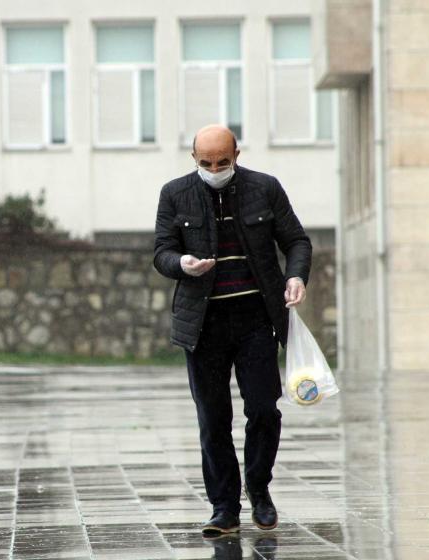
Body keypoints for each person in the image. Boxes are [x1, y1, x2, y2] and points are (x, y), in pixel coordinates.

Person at [153, 124, 312, 536]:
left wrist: (296, 278)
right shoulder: (175, 193)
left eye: (222, 162)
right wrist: (182, 264)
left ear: (236, 155)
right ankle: (224, 507)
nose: (214, 168)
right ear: (193, 159)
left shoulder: (265, 188)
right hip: (202, 324)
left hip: (256, 317)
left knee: (263, 409)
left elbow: (297, 241)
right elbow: (161, 252)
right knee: (213, 418)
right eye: (205, 163)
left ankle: (259, 491)